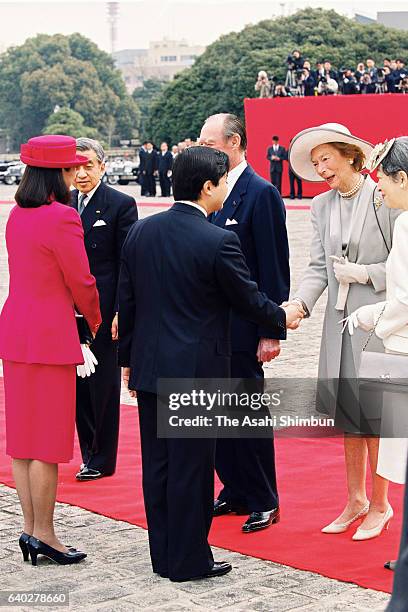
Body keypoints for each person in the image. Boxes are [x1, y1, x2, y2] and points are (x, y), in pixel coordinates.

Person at [118, 146, 302, 582]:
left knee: (158, 467)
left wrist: (127, 362)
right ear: (207, 187)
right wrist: (283, 315)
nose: (225, 188)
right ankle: (189, 560)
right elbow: (249, 299)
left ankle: (163, 555)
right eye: (221, 182)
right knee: (192, 471)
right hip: (197, 373)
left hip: (150, 369)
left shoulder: (141, 232)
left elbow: (127, 303)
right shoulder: (219, 240)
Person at [288, 123, 399, 540]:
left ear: (351, 156)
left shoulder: (382, 197)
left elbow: (401, 266)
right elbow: (319, 267)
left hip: (377, 322)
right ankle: (355, 499)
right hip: (339, 326)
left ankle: (381, 503)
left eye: (326, 160)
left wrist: (365, 273)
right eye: (315, 164)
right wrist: (299, 304)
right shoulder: (320, 206)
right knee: (348, 415)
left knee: (375, 414)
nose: (320, 169)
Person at [0, 135, 101, 565]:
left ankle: (30, 529)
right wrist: (96, 322)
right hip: (50, 336)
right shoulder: (62, 217)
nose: (76, 173)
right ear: (55, 173)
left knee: (23, 442)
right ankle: (45, 533)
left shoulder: (16, 215)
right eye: (70, 167)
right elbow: (82, 281)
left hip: (16, 332)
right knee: (49, 443)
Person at [199, 114, 290, 533]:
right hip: (210, 327)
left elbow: (273, 267)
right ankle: (234, 489)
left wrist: (271, 330)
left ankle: (263, 498)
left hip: (244, 325)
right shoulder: (207, 190)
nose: (204, 150)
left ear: (234, 143)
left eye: (210, 142)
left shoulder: (261, 192)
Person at [343, 137, 408, 572]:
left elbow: (404, 301)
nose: (377, 188)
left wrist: (371, 315)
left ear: (402, 178)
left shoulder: (404, 224)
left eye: (382, 180)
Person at [71, 137, 138, 481]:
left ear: (102, 166)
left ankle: (103, 458)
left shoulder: (120, 204)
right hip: (69, 309)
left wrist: (120, 312)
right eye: (76, 167)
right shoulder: (62, 202)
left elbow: (127, 263)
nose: (81, 174)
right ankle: (87, 452)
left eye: (88, 166)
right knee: (77, 384)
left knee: (103, 385)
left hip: (104, 309)